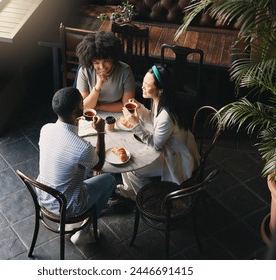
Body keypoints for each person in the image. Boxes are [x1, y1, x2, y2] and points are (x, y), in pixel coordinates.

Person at [37, 87, 116, 245]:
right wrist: (100, 132)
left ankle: (72, 223)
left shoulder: (45, 129)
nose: (84, 105)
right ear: (75, 111)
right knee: (110, 180)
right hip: (68, 206)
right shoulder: (83, 148)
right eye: (82, 103)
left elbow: (63, 149)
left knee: (78, 172)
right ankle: (84, 231)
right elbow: (98, 164)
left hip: (44, 196)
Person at [116, 65, 200, 199]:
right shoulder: (160, 101)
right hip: (170, 147)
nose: (142, 87)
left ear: (160, 90)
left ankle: (147, 199)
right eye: (143, 82)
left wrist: (136, 125)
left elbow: (156, 144)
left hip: (174, 157)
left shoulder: (167, 115)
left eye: (147, 85)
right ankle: (130, 189)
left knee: (133, 169)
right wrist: (140, 108)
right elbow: (153, 119)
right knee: (127, 158)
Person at [76, 30, 135, 112]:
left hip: (117, 114)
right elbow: (84, 106)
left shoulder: (125, 71)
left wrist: (97, 106)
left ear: (113, 58)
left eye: (106, 61)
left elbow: (127, 106)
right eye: (96, 63)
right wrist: (98, 86)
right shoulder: (84, 71)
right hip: (90, 114)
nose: (102, 66)